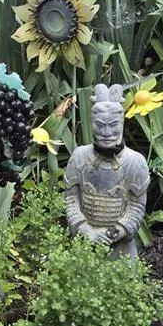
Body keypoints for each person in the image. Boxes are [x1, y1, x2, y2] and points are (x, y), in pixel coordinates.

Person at [65, 84, 150, 258]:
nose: (106, 132)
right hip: (84, 242)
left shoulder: (135, 162)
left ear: (122, 123)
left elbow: (136, 205)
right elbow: (71, 199)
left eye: (113, 125)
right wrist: (86, 231)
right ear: (92, 123)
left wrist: (118, 231)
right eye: (100, 125)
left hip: (121, 248)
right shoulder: (79, 157)